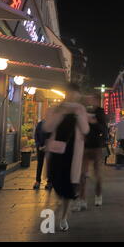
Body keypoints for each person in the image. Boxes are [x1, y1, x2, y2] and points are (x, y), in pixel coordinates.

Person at [43, 83, 89, 231]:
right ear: (66, 93)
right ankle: (60, 204)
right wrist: (61, 113)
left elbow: (85, 129)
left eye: (76, 93)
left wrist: (77, 114)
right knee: (57, 183)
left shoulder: (80, 109)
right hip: (57, 152)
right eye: (71, 93)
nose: (73, 96)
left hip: (72, 153)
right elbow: (48, 127)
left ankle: (63, 218)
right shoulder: (56, 108)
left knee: (69, 186)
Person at [75, 94, 108, 211]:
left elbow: (104, 130)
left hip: (97, 147)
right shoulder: (83, 110)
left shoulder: (100, 112)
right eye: (88, 98)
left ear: (97, 100)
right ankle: (82, 200)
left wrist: (94, 122)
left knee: (98, 174)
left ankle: (98, 195)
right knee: (82, 174)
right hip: (84, 147)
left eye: (91, 98)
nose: (89, 100)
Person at [33, 118, 51, 190]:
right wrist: (39, 145)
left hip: (48, 148)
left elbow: (53, 136)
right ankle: (37, 181)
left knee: (49, 164)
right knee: (40, 164)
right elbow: (36, 136)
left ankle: (49, 182)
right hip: (40, 147)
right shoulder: (40, 124)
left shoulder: (52, 125)